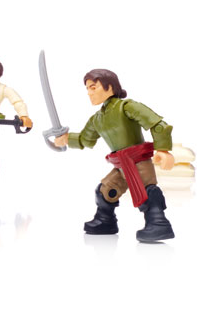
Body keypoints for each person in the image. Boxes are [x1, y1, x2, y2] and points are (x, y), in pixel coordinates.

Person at [53, 68, 175, 242]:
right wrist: (66, 139)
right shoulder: (97, 119)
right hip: (121, 164)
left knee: (148, 191)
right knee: (105, 190)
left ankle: (158, 223)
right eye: (87, 89)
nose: (89, 93)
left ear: (109, 87)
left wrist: (163, 149)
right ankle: (105, 221)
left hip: (138, 160)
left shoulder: (127, 107)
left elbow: (157, 124)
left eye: (93, 87)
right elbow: (84, 139)